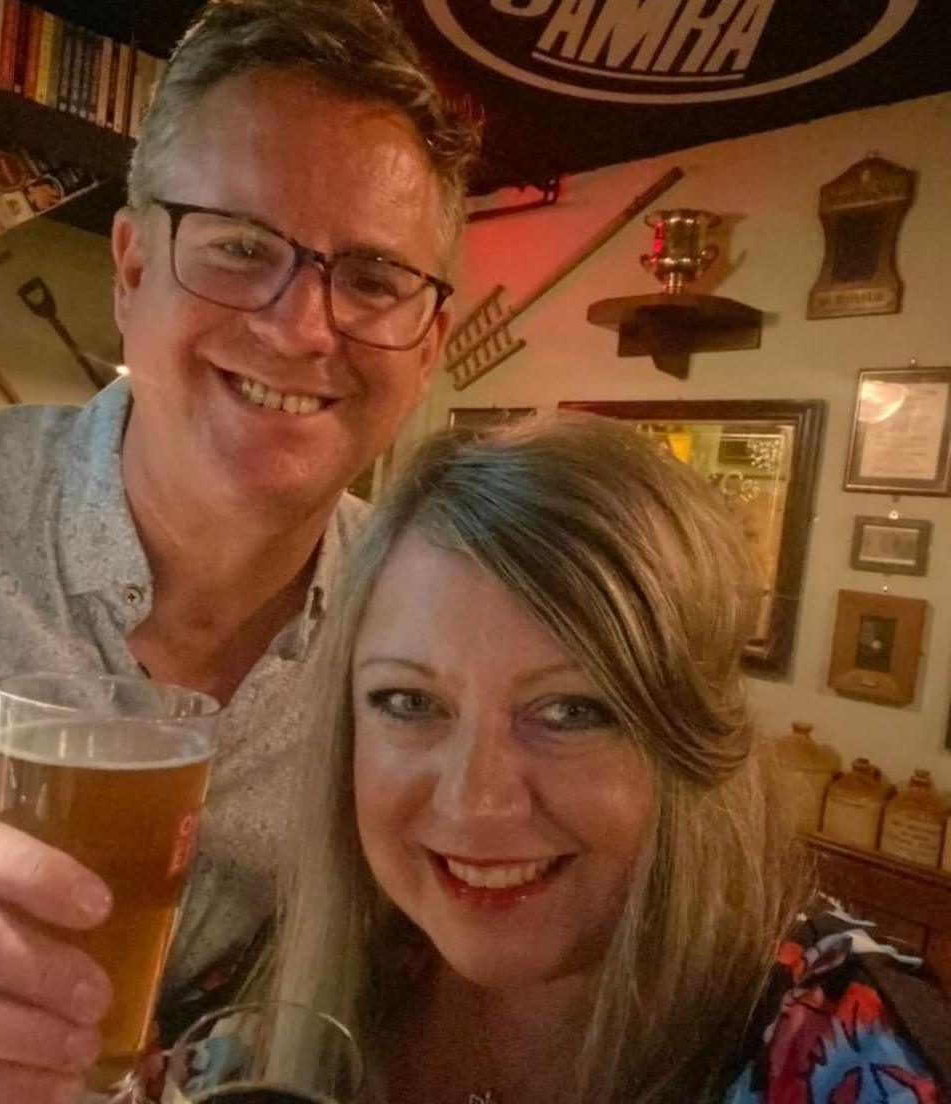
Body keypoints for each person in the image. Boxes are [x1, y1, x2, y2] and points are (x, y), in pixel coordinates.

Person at [0, 2, 476, 1102]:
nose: (301, 326)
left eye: (374, 279)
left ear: (426, 348)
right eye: (240, 249)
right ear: (131, 271)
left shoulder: (442, 629)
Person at [250, 413, 950, 1104]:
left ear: (690, 740)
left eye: (572, 711)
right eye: (409, 702)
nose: (474, 801)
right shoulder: (286, 977)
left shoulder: (850, 1047)